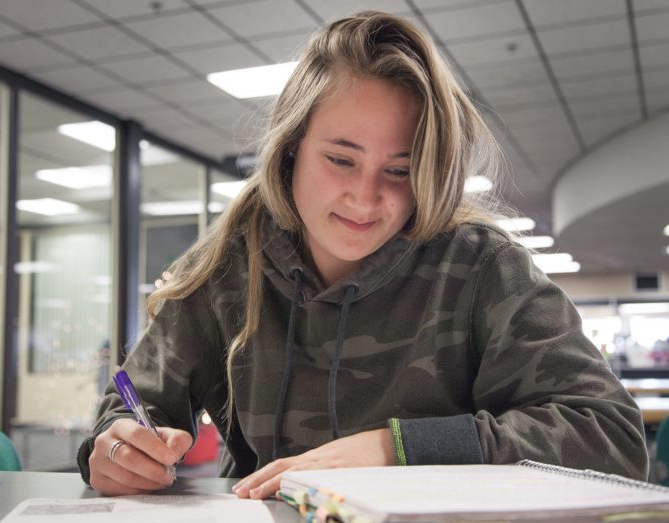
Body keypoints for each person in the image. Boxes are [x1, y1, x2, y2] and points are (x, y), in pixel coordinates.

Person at [77, 11, 648, 497]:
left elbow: (610, 435)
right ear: (293, 147)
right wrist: (120, 448)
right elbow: (131, 410)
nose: (365, 197)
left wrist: (397, 448)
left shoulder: (481, 266)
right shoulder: (225, 267)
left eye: (399, 170)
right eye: (341, 159)